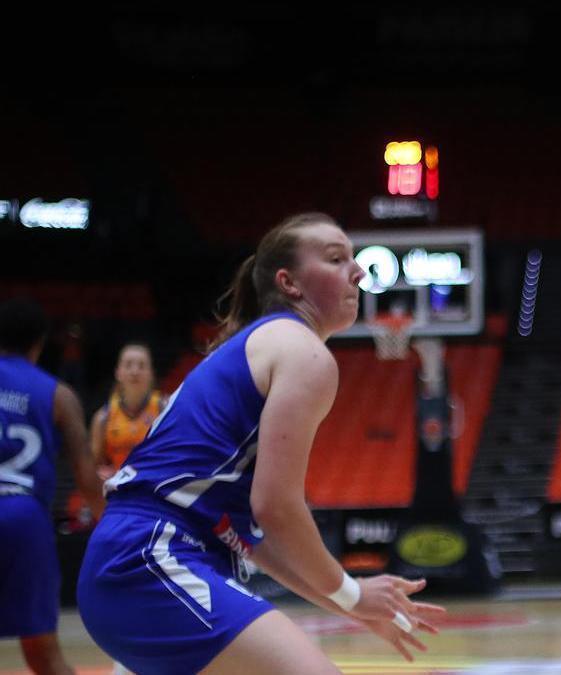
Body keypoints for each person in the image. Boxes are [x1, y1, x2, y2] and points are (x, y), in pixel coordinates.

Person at [77, 213, 446, 674]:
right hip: (153, 558)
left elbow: (250, 536)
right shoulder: (303, 351)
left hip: (136, 561)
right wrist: (351, 592)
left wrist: (350, 602)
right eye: (336, 258)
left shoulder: (261, 347)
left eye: (354, 259)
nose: (358, 271)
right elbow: (275, 505)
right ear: (289, 283)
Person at [0, 297, 106, 675]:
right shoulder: (58, 394)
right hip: (25, 519)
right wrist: (113, 525)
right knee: (44, 654)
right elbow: (85, 476)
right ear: (40, 342)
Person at [90, 342, 163, 477]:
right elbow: (92, 468)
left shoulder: (164, 409)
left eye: (141, 366)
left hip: (154, 488)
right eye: (128, 365)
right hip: (119, 490)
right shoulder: (103, 417)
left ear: (151, 373)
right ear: (118, 372)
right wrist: (101, 475)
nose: (135, 372)